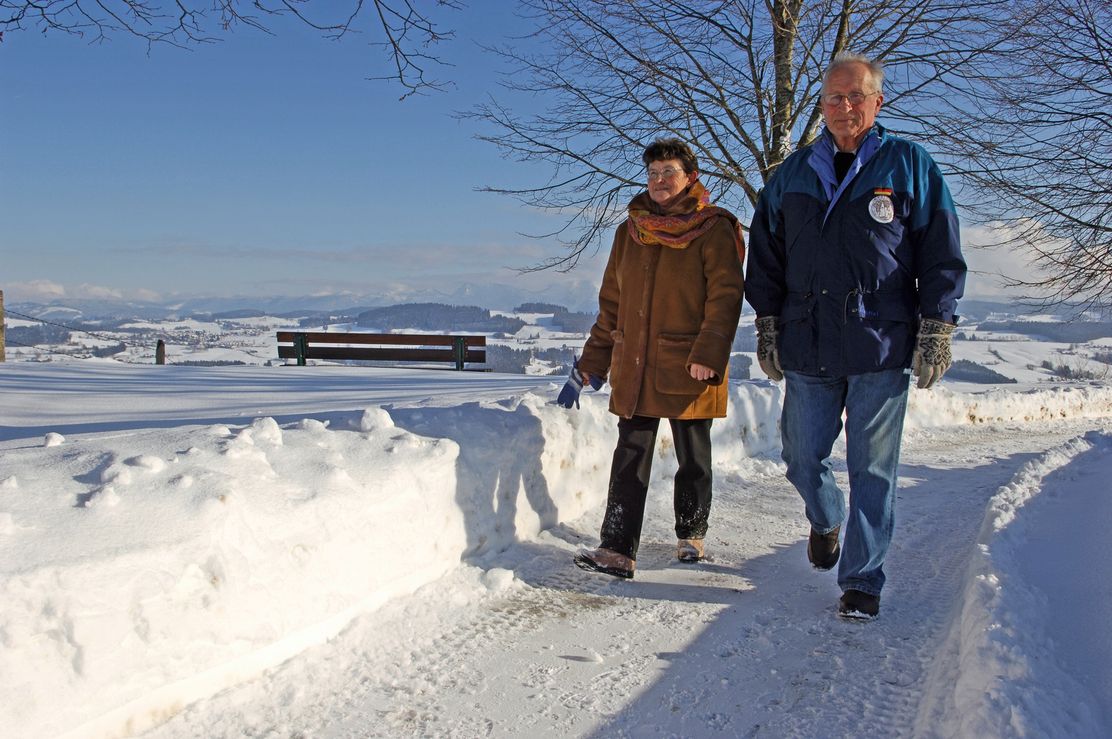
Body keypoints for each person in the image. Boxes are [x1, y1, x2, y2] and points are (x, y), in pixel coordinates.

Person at [745, 53, 967, 618]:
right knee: (801, 457)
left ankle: (863, 580)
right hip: (807, 339)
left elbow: (940, 251)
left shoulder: (909, 164)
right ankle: (826, 519)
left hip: (880, 342)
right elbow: (766, 255)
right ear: (822, 105)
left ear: (877, 101)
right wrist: (767, 323)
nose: (844, 107)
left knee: (873, 469)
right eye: (834, 98)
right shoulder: (794, 173)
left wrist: (937, 327)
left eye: (855, 97)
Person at [556, 137, 745, 580]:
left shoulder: (714, 227)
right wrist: (593, 362)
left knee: (693, 455)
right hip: (636, 364)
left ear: (690, 177)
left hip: (689, 363)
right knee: (630, 454)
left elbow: (725, 296)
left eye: (669, 173)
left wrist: (709, 353)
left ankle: (691, 531)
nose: (659, 181)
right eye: (653, 173)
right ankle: (617, 549)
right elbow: (612, 304)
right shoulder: (630, 231)